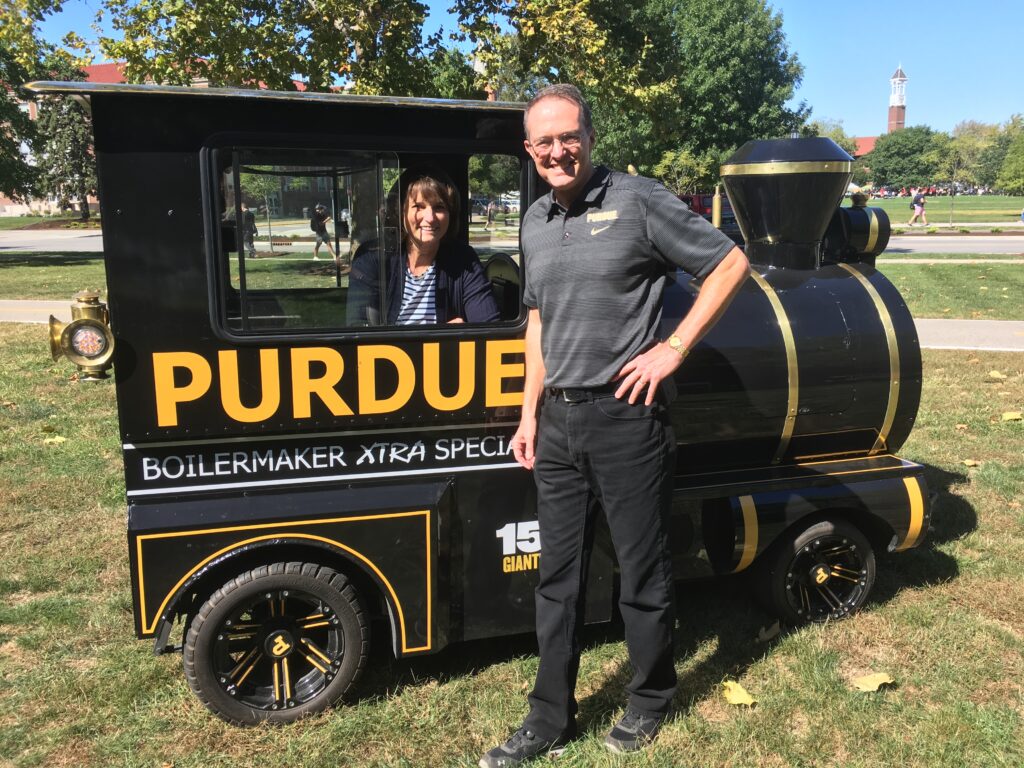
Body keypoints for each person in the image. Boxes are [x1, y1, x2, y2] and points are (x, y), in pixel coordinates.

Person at [480, 84, 749, 767]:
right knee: (558, 578)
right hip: (559, 423)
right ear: (529, 150)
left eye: (568, 136)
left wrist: (674, 348)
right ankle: (548, 717)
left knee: (641, 569)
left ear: (590, 137)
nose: (557, 151)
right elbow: (536, 322)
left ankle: (650, 697)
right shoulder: (535, 220)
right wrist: (527, 412)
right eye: (544, 142)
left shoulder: (638, 199)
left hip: (629, 419)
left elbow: (728, 263)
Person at [347, 166, 499, 326]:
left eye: (439, 207)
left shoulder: (464, 261)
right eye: (419, 206)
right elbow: (358, 330)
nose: (430, 218)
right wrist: (445, 334)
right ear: (400, 211)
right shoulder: (372, 258)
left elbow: (489, 325)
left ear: (450, 214)